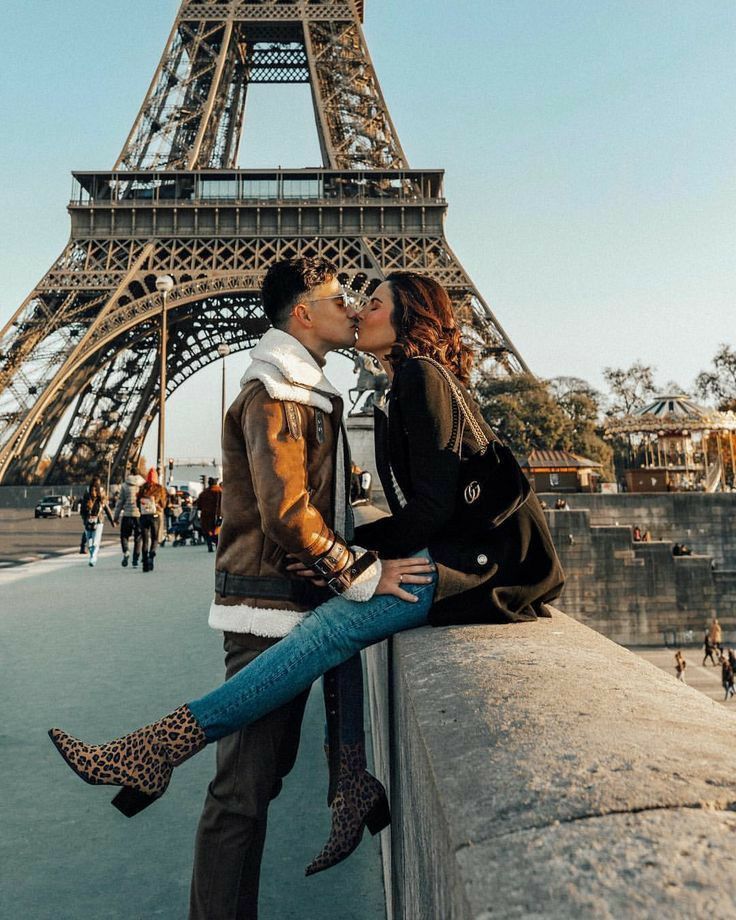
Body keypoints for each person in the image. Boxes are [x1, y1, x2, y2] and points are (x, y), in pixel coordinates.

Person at [48, 270, 565, 902]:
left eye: (368, 301)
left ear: (406, 319)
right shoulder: (283, 391)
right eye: (342, 299)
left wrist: (358, 559)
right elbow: (292, 516)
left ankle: (302, 774)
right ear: (301, 315)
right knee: (245, 785)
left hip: (456, 563)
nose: (353, 307)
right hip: (268, 596)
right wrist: (356, 564)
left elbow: (422, 504)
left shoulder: (375, 383)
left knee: (325, 651)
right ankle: (326, 785)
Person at [136, 469, 168, 573]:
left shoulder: (142, 488)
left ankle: (145, 564)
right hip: (155, 516)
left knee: (145, 540)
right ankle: (151, 556)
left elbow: (137, 502)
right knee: (154, 539)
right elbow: (163, 504)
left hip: (144, 516)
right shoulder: (160, 489)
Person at [79, 476, 115, 567]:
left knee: (95, 541)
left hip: (98, 521)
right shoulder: (88, 496)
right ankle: (92, 556)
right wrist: (85, 520)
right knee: (90, 542)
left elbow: (106, 508)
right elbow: (83, 510)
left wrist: (112, 521)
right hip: (91, 521)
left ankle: (93, 558)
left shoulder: (99, 496)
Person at [114, 464, 144, 568]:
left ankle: (126, 551)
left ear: (130, 473)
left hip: (127, 514)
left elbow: (120, 502)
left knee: (124, 535)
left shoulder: (125, 485)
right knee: (138, 538)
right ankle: (135, 560)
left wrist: (116, 517)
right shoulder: (143, 485)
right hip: (139, 515)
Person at [195, 478, 223, 553]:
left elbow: (199, 506)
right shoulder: (220, 492)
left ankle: (209, 546)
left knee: (207, 531)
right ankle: (218, 546)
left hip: (206, 515)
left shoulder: (203, 493)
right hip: (217, 514)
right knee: (216, 531)